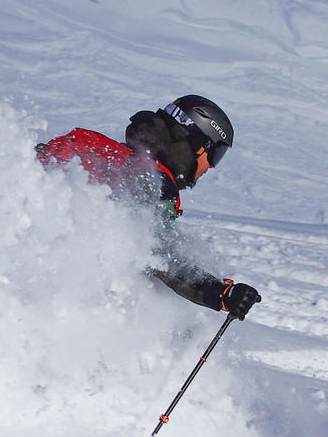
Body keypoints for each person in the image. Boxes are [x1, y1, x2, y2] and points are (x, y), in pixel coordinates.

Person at [35, 94, 261, 318]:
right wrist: (220, 293)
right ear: (197, 145)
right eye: (215, 154)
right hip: (58, 294)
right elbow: (161, 256)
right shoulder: (156, 183)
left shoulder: (107, 152)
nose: (211, 167)